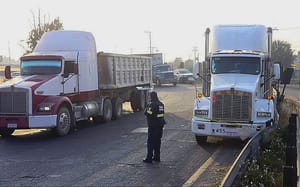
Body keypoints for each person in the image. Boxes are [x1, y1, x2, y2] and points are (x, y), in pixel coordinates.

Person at [143, 91, 166, 163]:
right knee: (157, 141)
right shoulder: (161, 104)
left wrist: (146, 109)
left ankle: (149, 158)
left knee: (150, 142)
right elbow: (161, 114)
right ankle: (157, 157)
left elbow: (148, 113)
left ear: (151, 97)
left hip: (153, 125)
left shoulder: (152, 104)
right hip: (160, 125)